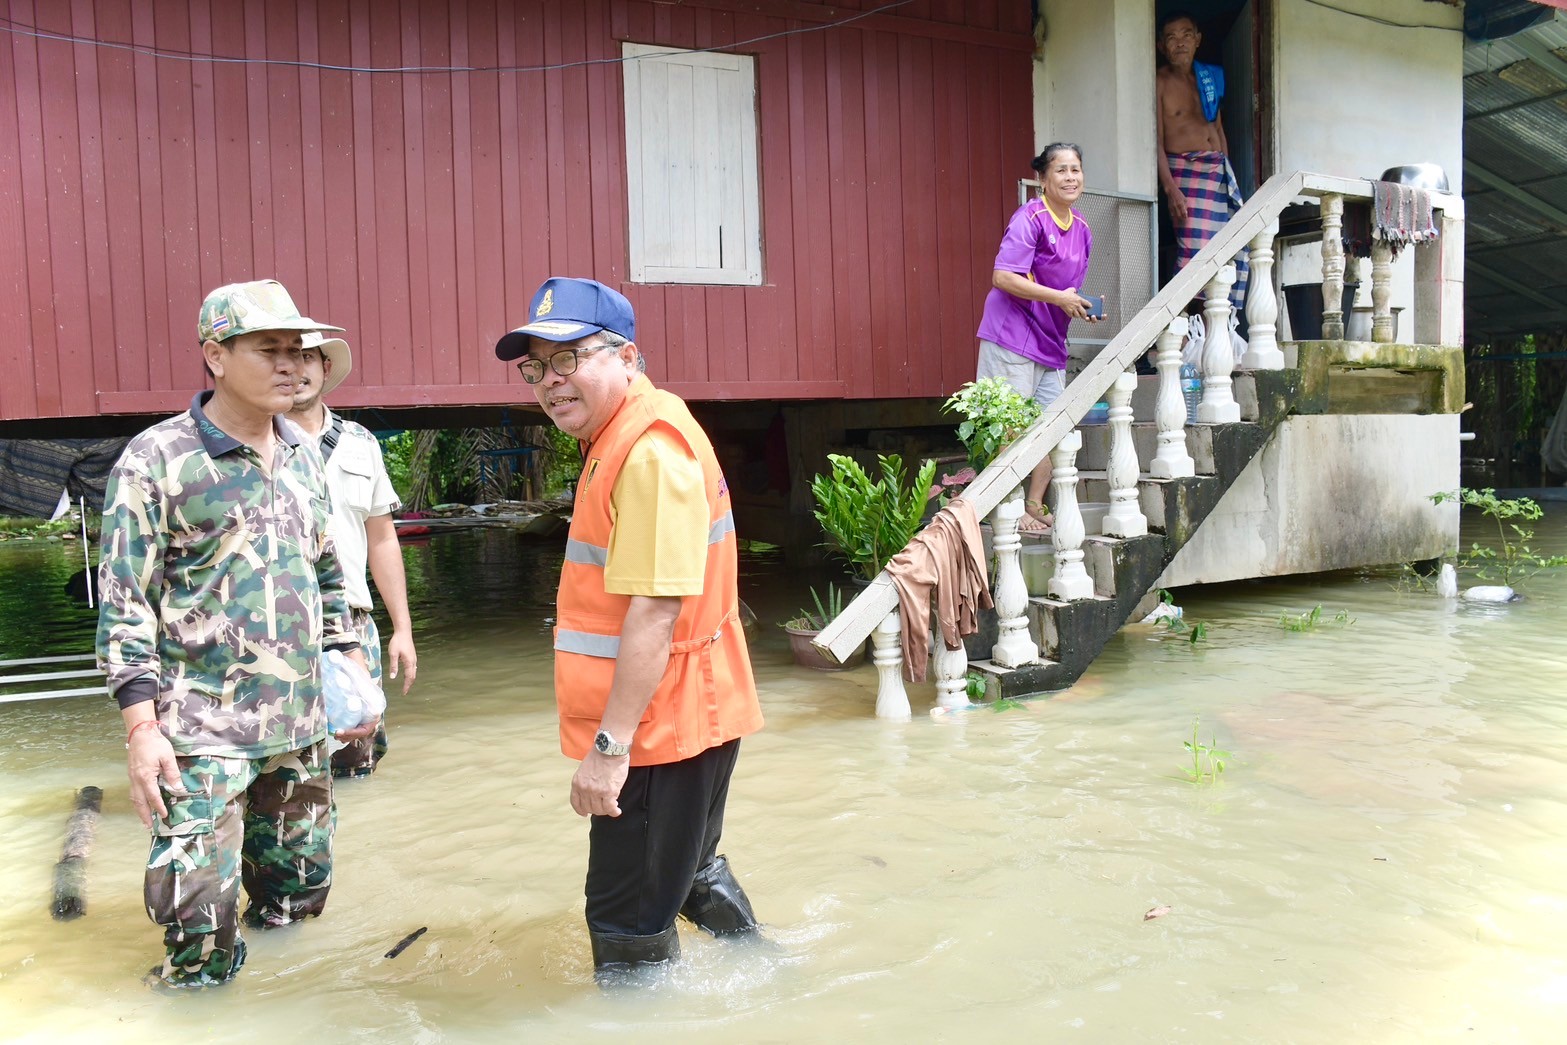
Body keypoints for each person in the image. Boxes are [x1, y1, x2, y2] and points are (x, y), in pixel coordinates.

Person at [97, 279, 376, 989]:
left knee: (296, 905)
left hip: (300, 730)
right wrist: (141, 728)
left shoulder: (304, 455)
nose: (292, 365)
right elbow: (124, 603)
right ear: (215, 355)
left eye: (299, 350)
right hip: (198, 735)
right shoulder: (157, 460)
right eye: (270, 349)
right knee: (200, 944)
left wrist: (349, 674)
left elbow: (330, 576)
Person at [494, 277, 765, 979]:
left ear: (626, 357)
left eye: (568, 359)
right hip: (686, 712)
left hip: (656, 730)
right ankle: (771, 973)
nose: (550, 382)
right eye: (536, 368)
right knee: (688, 872)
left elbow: (654, 608)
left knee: (623, 915)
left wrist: (608, 749)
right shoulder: (623, 433)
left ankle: (644, 1016)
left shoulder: (646, 451)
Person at [286, 331, 417, 777]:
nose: (297, 369)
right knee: (288, 764)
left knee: (359, 756)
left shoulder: (360, 441)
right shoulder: (256, 439)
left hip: (355, 624)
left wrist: (402, 628)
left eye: (308, 357)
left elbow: (381, 539)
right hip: (282, 626)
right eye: (287, 356)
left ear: (325, 368)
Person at [975, 142, 1099, 532]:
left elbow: (1064, 292)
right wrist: (1059, 297)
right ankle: (1008, 508)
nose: (1070, 177)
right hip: (1011, 335)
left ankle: (1033, 503)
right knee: (1008, 427)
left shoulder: (1082, 229)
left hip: (1049, 340)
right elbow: (1003, 276)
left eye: (1075, 169)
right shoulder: (1028, 218)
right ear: (1043, 179)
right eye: (1060, 170)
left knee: (1052, 427)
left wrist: (1078, 305)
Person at [1156, 10, 1248, 301]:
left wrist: (1226, 170)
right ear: (1162, 46)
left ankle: (1215, 332)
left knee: (1232, 248)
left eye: (1185, 35)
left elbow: (1218, 129)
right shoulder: (1159, 82)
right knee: (1194, 256)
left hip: (1219, 172)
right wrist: (1171, 190)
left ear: (1197, 39)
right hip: (1185, 171)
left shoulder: (1209, 78)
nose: (1179, 42)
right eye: (1171, 38)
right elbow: (1155, 142)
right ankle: (1178, 332)